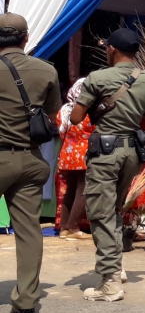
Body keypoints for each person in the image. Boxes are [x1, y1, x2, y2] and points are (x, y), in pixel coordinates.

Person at [70, 28, 145, 302]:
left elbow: (76, 118)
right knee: (113, 210)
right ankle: (117, 265)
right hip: (131, 152)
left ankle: (109, 283)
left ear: (111, 49)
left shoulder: (97, 78)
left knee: (100, 212)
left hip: (105, 153)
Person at [0, 13, 61, 313]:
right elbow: (52, 115)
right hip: (31, 159)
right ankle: (26, 302)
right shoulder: (46, 70)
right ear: (26, 38)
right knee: (28, 230)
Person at [56, 78, 93, 241]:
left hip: (67, 153)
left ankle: (64, 227)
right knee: (83, 189)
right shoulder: (87, 112)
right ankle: (73, 227)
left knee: (70, 189)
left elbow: (61, 131)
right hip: (84, 154)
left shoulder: (63, 110)